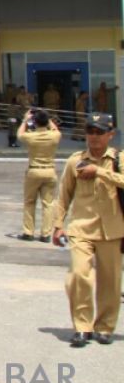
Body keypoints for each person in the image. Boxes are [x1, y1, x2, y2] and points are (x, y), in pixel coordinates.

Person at [52, 113, 124, 347]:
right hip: (81, 228)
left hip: (111, 230)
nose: (93, 137)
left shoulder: (118, 159)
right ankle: (82, 326)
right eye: (90, 132)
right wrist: (57, 225)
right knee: (79, 275)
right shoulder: (75, 160)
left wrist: (99, 172)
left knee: (110, 281)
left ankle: (104, 327)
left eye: (99, 132)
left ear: (110, 135)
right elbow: (63, 195)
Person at [18, 107, 62, 241]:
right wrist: (46, 116)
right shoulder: (54, 136)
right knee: (48, 204)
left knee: (29, 202)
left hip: (34, 170)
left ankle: (28, 232)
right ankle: (46, 234)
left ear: (35, 122)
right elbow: (55, 128)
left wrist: (25, 120)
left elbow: (20, 134)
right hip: (50, 170)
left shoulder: (30, 136)